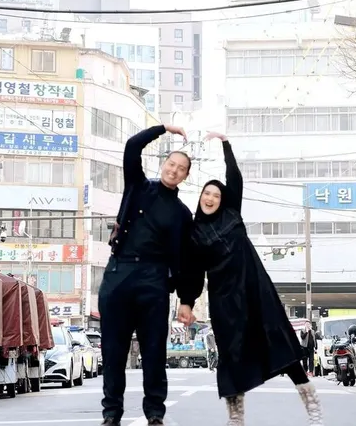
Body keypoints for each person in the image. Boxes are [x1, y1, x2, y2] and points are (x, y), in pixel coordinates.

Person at [178, 132, 324, 426]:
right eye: (207, 193)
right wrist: (187, 302)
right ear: (201, 197)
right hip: (225, 301)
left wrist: (225, 145)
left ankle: (313, 409)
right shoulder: (195, 233)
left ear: (223, 200)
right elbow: (192, 273)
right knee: (232, 356)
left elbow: (235, 179)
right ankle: (236, 419)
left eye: (216, 195)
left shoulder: (233, 213)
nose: (211, 198)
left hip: (256, 290)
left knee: (280, 343)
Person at [99, 124, 194, 426]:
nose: (174, 171)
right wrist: (163, 128)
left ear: (185, 176)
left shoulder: (182, 213)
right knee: (113, 351)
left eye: (181, 169)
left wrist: (186, 299)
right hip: (119, 271)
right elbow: (131, 146)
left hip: (154, 279)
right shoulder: (138, 185)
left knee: (154, 351)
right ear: (164, 164)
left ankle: (155, 413)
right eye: (171, 164)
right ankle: (111, 414)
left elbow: (184, 260)